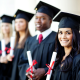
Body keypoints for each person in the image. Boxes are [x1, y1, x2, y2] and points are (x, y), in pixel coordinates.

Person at [18, 1, 60, 80]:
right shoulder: (30, 40)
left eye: (42, 18)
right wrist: (28, 70)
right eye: (36, 18)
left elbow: (61, 62)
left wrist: (45, 70)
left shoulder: (57, 38)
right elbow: (23, 61)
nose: (38, 21)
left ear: (50, 21)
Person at [6, 9, 34, 80]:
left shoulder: (30, 40)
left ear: (26, 23)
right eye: (16, 22)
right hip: (13, 74)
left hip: (22, 75)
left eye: (21, 22)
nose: (17, 24)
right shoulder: (15, 40)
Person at [52, 11, 80, 80]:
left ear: (75, 35)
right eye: (60, 32)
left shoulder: (78, 60)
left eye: (68, 33)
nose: (63, 37)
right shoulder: (59, 58)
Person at [0, 15, 14, 80]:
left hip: (11, 70)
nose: (4, 28)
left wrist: (9, 57)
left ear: (10, 27)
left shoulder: (14, 41)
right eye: (2, 26)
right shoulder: (0, 41)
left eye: (6, 25)